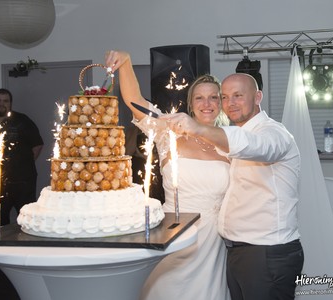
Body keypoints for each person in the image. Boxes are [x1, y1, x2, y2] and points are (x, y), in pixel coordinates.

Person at [164, 73, 304, 300]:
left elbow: (259, 146)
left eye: (238, 96)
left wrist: (197, 129)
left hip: (267, 254)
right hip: (235, 252)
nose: (231, 103)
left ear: (258, 97)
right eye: (226, 97)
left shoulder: (274, 133)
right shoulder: (236, 135)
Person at [105, 50, 230, 300]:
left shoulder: (231, 141)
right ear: (190, 103)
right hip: (176, 234)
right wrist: (126, 62)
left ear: (221, 102)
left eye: (213, 98)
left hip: (215, 241)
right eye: (199, 98)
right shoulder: (169, 131)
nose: (206, 104)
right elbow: (134, 100)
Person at [0, 88, 43, 226]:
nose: (1, 104)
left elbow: (37, 145)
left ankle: (27, 247)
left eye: (5, 101)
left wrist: (24, 164)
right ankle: (0, 247)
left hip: (23, 182)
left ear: (10, 103)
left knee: (28, 220)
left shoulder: (23, 121)